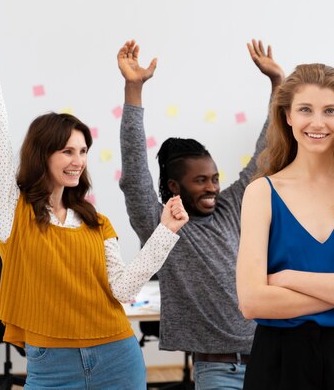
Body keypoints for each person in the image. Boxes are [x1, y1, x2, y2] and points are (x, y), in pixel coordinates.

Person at [0, 0, 188, 389]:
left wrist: (165, 232)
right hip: (51, 366)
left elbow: (122, 289)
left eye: (83, 151)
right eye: (67, 150)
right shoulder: (13, 211)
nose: (78, 161)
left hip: (117, 356)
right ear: (43, 153)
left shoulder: (95, 221)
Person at [117, 38, 284, 389]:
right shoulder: (162, 225)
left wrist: (277, 85)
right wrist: (134, 90)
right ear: (176, 187)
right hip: (218, 372)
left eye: (214, 179)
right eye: (201, 181)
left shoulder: (230, 208)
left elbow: (265, 155)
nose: (211, 187)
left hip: (269, 361)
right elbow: (135, 174)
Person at [236, 61, 334, 390]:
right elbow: (253, 302)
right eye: (306, 109)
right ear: (288, 116)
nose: (317, 122)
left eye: (330, 111)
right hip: (280, 360)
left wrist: (288, 280)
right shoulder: (261, 193)